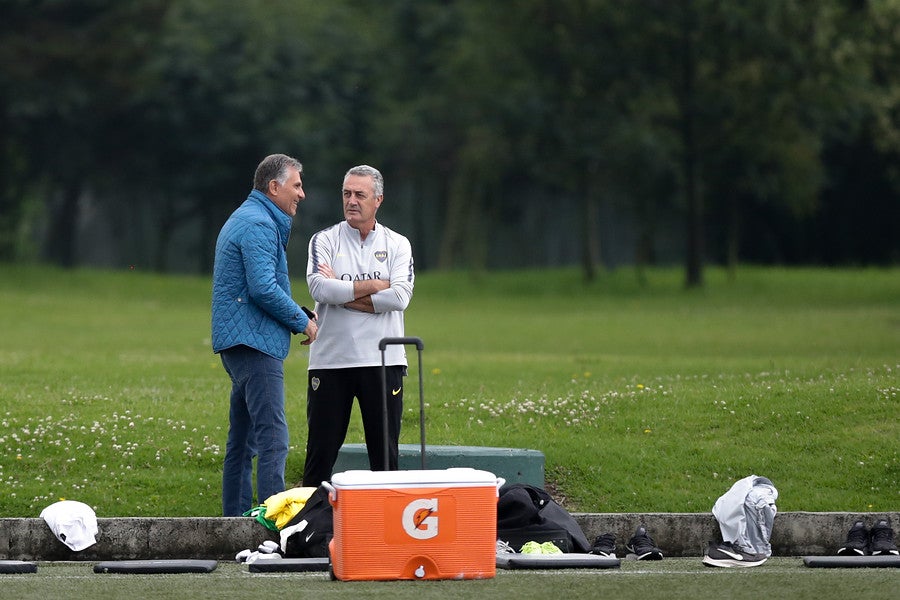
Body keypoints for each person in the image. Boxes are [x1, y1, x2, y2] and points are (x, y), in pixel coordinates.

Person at [211, 153, 317, 516]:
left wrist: (297, 312)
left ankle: (235, 523)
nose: (302, 194)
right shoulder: (259, 224)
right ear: (274, 187)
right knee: (273, 438)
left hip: (241, 340)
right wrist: (301, 323)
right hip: (254, 344)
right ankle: (276, 525)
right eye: (297, 185)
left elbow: (259, 286)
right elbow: (262, 289)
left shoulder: (249, 216)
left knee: (242, 442)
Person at [301, 165, 414, 487]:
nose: (351, 201)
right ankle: (309, 532)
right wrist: (376, 285)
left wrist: (343, 292)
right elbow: (320, 290)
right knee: (319, 457)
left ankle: (386, 533)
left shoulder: (398, 244)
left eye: (359, 195)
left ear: (378, 199)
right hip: (332, 360)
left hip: (383, 360)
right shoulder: (324, 239)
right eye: (346, 194)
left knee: (385, 459)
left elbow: (400, 297)